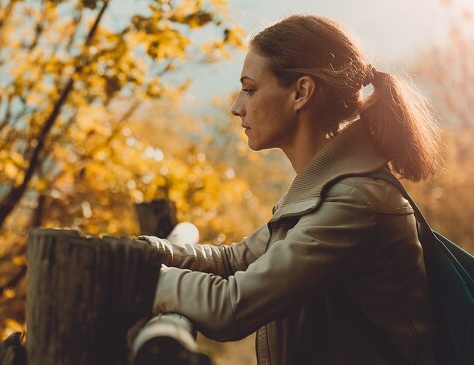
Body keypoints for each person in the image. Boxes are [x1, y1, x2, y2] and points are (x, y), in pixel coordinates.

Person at [138, 14, 442, 364]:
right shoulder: (325, 188)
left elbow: (230, 306)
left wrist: (133, 278)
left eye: (250, 89)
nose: (237, 107)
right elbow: (235, 261)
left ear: (300, 92)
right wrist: (138, 254)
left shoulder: (355, 202)